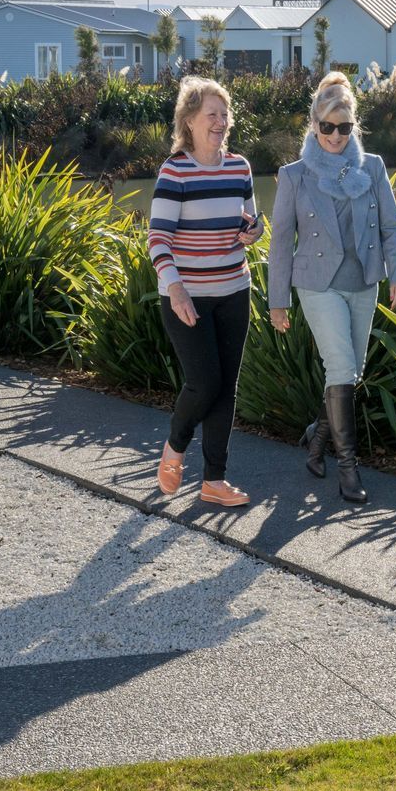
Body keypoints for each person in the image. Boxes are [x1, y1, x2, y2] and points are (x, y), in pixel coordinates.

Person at [265, 71, 396, 505]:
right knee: (342, 366)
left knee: (350, 372)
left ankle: (317, 436)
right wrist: (277, 301)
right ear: (313, 125)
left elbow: (392, 227)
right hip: (317, 285)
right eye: (327, 126)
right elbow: (281, 242)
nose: (335, 136)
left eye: (344, 127)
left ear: (353, 127)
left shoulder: (372, 167)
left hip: (362, 282)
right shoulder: (294, 176)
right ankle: (348, 467)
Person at [149, 76, 263, 507]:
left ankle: (214, 481)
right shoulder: (175, 171)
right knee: (204, 383)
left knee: (226, 386)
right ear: (190, 121)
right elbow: (158, 238)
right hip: (187, 295)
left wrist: (253, 232)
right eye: (211, 114)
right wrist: (176, 288)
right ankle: (175, 446)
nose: (221, 121)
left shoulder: (240, 167)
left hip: (234, 288)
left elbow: (249, 221)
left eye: (225, 114)